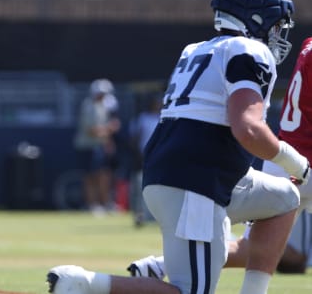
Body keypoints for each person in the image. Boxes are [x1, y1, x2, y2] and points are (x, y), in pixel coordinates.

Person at [46, 0, 309, 294]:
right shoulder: (250, 51)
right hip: (198, 181)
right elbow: (249, 128)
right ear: (257, 18)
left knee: (284, 198)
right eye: (277, 24)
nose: (279, 34)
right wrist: (298, 165)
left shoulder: (195, 49)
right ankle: (84, 283)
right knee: (190, 292)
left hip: (190, 173)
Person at [129, 36, 312, 278]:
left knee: (263, 249)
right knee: (278, 252)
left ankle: (159, 265)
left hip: (284, 159)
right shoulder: (245, 52)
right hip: (300, 160)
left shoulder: (307, 45)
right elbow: (247, 127)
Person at [73, 79, 121, 215]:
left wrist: (108, 140)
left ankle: (105, 203)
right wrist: (109, 129)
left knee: (103, 175)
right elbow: (90, 130)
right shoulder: (88, 106)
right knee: (90, 177)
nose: (103, 96)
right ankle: (92, 205)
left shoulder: (102, 107)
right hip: (87, 146)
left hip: (98, 146)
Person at [128, 93, 162, 226]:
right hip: (143, 158)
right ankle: (140, 215)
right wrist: (138, 154)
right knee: (140, 187)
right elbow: (134, 138)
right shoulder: (142, 118)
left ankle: (156, 216)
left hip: (160, 157)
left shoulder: (164, 118)